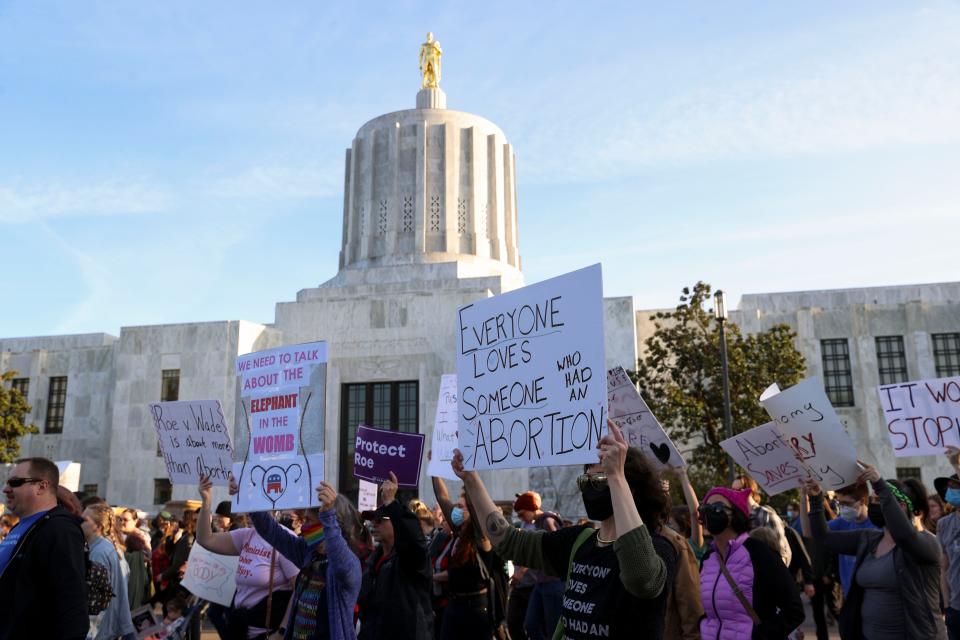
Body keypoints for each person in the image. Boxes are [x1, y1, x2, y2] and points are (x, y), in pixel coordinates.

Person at [455, 420, 677, 639]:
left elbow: (641, 578)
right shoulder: (579, 542)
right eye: (585, 480)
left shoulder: (660, 549)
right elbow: (510, 542)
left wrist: (616, 476)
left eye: (599, 479)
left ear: (631, 488)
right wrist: (471, 480)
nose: (590, 487)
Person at [805, 460, 946, 640]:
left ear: (901, 507)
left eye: (878, 500)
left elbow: (904, 536)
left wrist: (879, 484)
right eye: (872, 500)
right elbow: (823, 537)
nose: (872, 505)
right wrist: (816, 498)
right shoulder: (869, 539)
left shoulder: (927, 544)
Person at [238, 476, 365, 640]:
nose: (304, 526)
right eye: (304, 520)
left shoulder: (349, 564)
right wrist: (250, 498)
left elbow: (339, 558)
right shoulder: (309, 554)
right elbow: (273, 532)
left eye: (310, 520)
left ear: (328, 523)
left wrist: (329, 516)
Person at [197, 475, 299, 639]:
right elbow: (205, 539)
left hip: (266, 633)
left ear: (273, 509)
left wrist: (282, 631)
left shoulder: (284, 538)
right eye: (247, 506)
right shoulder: (247, 536)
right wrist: (206, 501)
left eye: (256, 506)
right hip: (239, 629)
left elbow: (298, 591)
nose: (249, 513)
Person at [698, 485, 804, 639]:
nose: (710, 512)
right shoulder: (708, 559)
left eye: (718, 507)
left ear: (735, 514)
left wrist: (760, 636)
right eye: (705, 508)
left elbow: (794, 610)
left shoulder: (759, 553)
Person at [0, 457, 89, 640]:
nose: (6, 489)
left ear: (42, 487)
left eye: (15, 483)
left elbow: (72, 603)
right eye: (7, 482)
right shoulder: (22, 526)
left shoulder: (60, 530)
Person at [359, 471, 434, 640]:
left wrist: (391, 503)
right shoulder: (372, 561)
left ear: (396, 523)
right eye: (373, 520)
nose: (374, 524)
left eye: (380, 519)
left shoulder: (411, 559)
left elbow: (414, 538)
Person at [512, 490, 564, 640]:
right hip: (540, 582)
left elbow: (557, 546)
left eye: (522, 514)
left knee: (553, 629)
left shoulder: (547, 520)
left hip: (552, 581)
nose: (522, 518)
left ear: (531, 508)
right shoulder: (538, 522)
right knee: (531, 625)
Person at [83, 502, 138, 640]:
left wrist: (89, 635)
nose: (79, 522)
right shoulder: (105, 547)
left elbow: (96, 602)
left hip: (100, 632)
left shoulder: (99, 553)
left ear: (98, 527)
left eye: (84, 520)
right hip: (109, 628)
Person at [936, 446, 960, 640]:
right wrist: (947, 604)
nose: (951, 491)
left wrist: (955, 463)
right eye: (950, 487)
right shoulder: (944, 524)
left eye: (956, 487)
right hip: (955, 607)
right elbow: (944, 567)